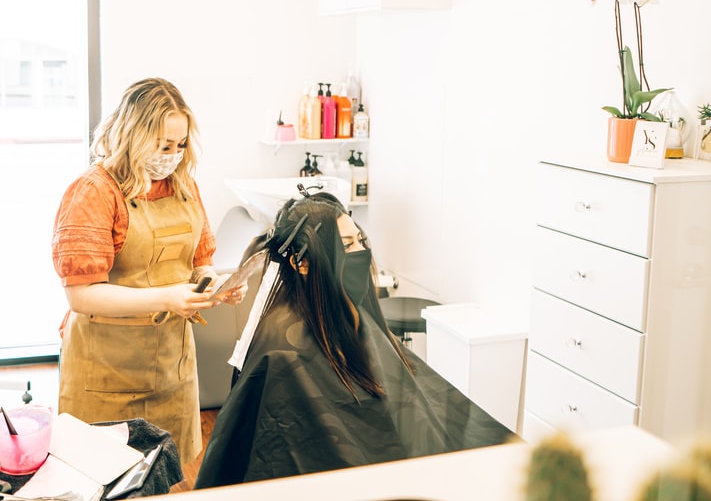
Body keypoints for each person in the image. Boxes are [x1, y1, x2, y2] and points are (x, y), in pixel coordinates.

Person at [194, 190, 516, 488]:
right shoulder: (281, 352)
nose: (362, 252)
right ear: (301, 263)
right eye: (347, 246)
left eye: (360, 240)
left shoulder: (351, 316)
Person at [51, 77, 245, 464]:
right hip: (106, 371)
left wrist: (213, 284)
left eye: (180, 145)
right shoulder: (94, 192)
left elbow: (199, 262)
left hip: (172, 367)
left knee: (164, 470)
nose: (173, 155)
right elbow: (82, 295)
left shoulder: (183, 186)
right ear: (132, 135)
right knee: (104, 472)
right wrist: (167, 297)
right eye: (163, 145)